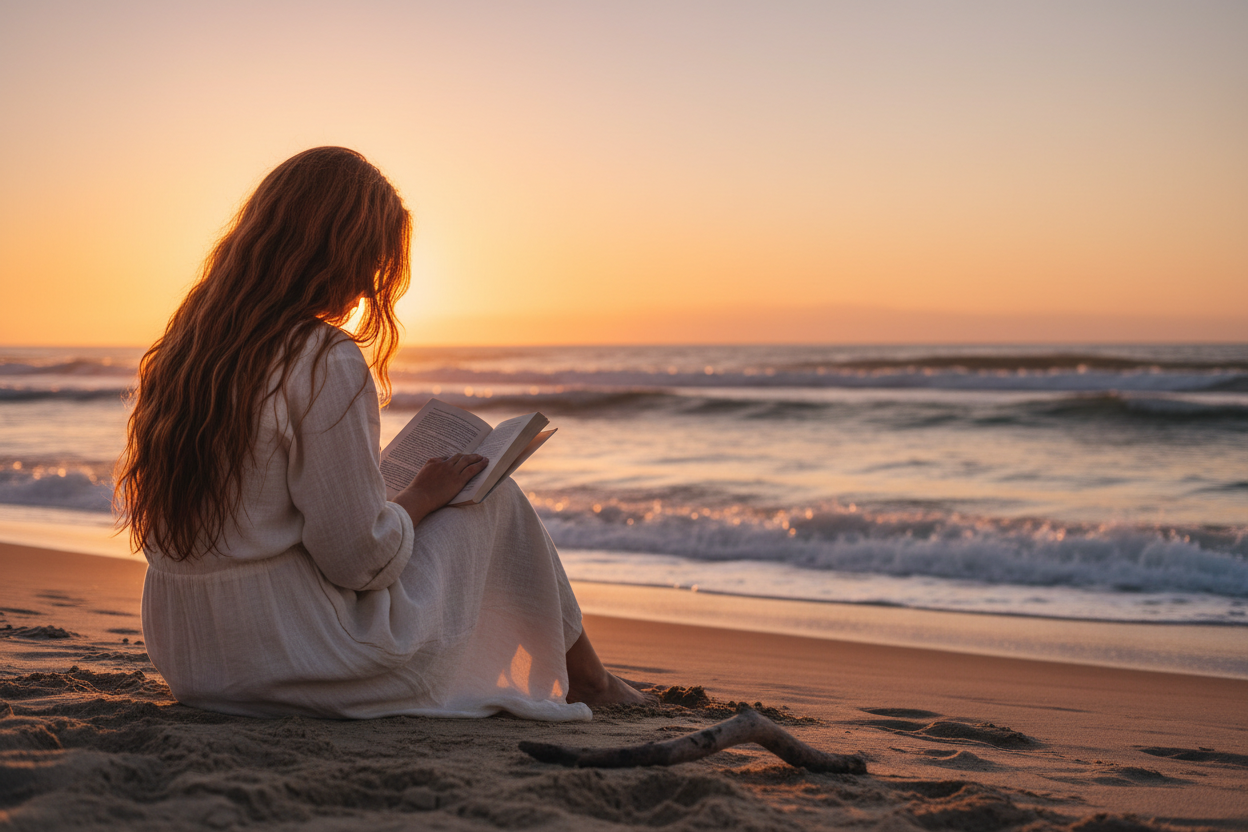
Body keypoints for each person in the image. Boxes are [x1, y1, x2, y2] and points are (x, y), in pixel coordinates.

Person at [116, 146, 644, 720]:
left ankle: (588, 674)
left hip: (193, 659)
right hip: (298, 658)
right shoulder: (321, 357)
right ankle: (589, 678)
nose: (371, 287)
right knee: (498, 498)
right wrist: (420, 496)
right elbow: (358, 562)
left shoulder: (183, 351)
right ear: (333, 252)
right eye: (370, 260)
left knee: (458, 496)